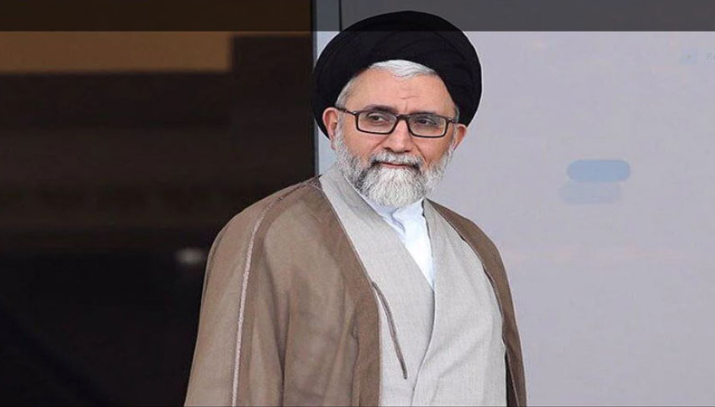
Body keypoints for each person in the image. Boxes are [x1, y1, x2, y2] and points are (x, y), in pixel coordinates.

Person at [184, 10, 526, 407]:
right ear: (334, 125)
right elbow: (229, 392)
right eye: (377, 118)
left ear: (455, 138)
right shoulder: (272, 233)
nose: (399, 142)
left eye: (425, 122)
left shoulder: (473, 247)